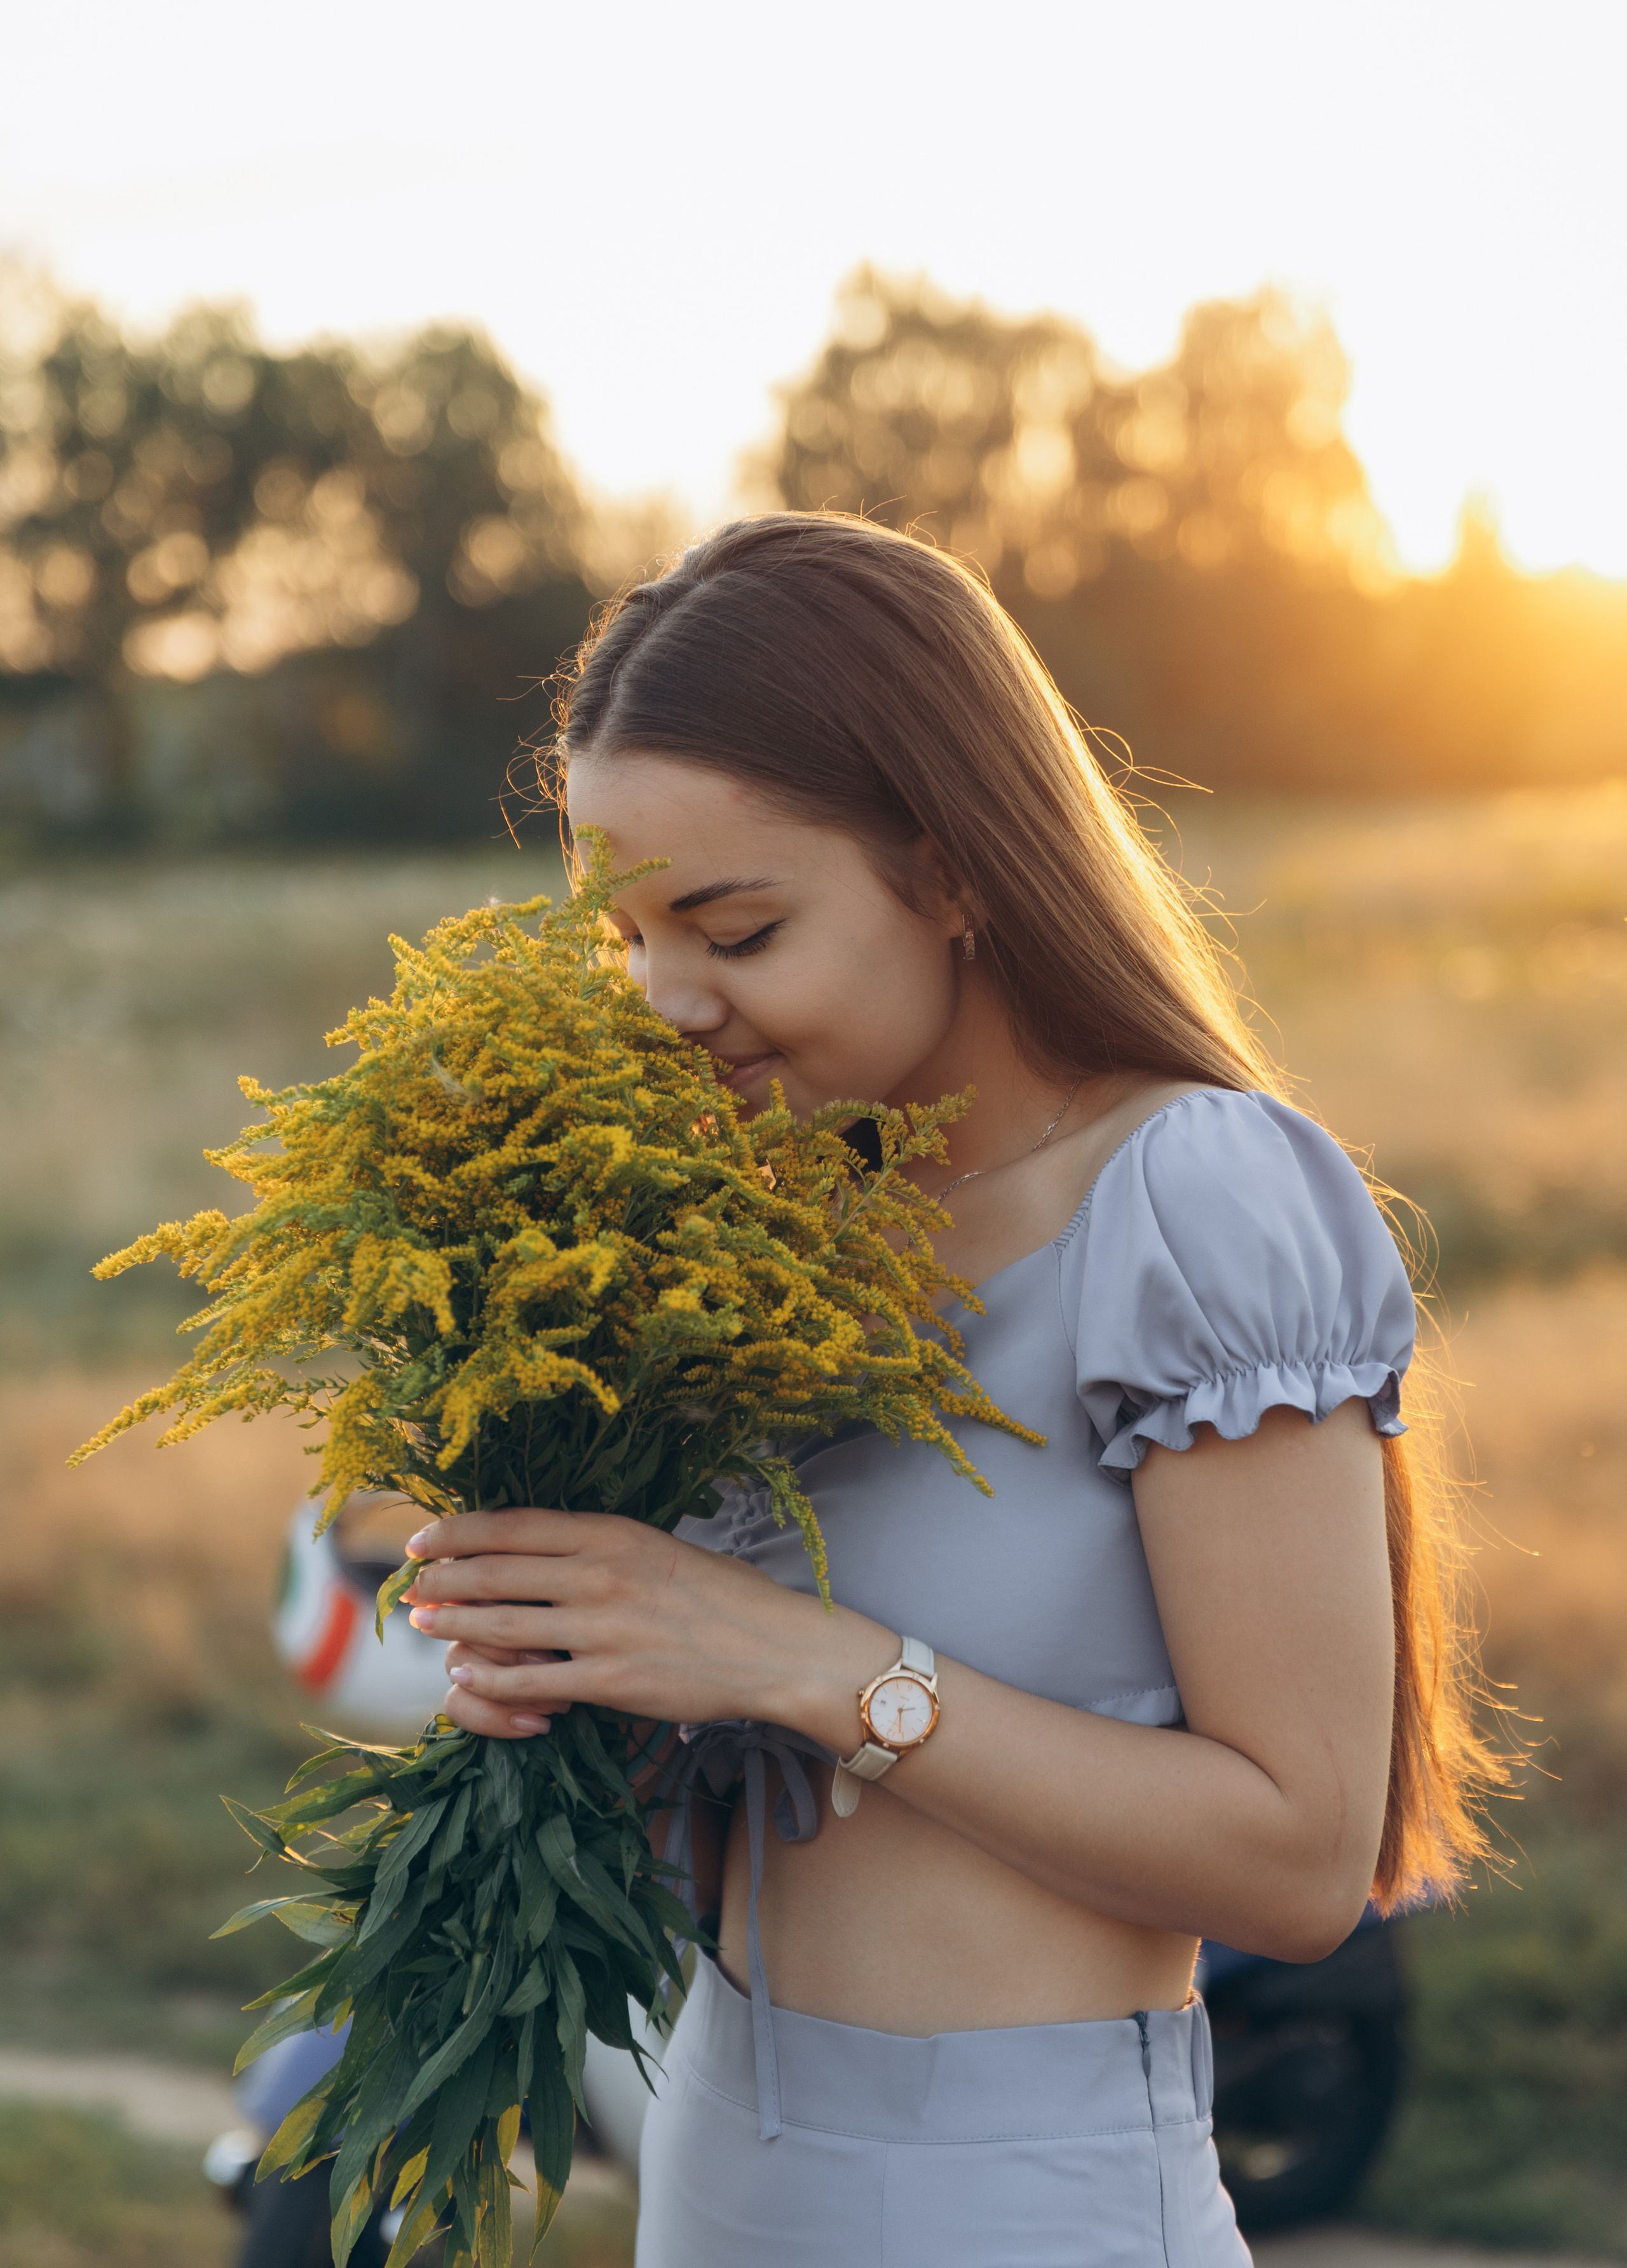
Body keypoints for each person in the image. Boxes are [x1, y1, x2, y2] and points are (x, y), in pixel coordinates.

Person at [401, 514, 1497, 2267]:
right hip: (719, 2164)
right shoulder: (763, 1229)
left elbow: (1301, 1864)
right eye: (630, 935)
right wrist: (581, 1685)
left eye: (736, 927)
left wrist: (801, 1661)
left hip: (1021, 2200)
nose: (667, 1001)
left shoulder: (1187, 1195)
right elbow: (745, 1814)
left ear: (955, 868)